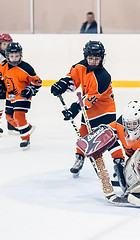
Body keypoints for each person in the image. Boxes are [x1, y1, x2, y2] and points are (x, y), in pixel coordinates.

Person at [50, 40, 120, 176]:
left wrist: (74, 109)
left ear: (102, 58)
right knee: (83, 133)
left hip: (106, 109)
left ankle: (119, 164)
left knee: (109, 138)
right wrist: (62, 84)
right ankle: (79, 159)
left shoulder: (103, 77)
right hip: (89, 109)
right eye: (90, 58)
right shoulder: (79, 67)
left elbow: (90, 99)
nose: (93, 61)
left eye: (97, 59)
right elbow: (71, 79)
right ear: (85, 57)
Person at [0, 42, 42, 150]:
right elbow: (2, 77)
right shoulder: (2, 66)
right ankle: (27, 127)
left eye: (17, 56)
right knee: (9, 118)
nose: (14, 59)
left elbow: (38, 82)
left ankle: (25, 138)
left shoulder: (26, 68)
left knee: (18, 116)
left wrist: (30, 89)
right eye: (11, 56)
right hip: (10, 96)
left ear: (20, 55)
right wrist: (1, 85)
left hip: (22, 96)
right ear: (7, 56)